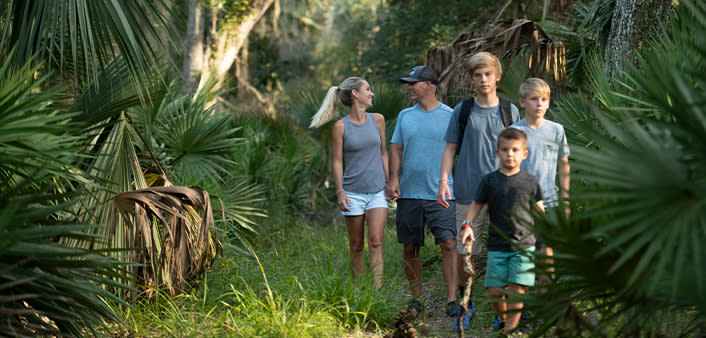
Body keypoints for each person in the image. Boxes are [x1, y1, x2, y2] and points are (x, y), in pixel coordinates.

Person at [436, 52, 520, 324]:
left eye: (487, 74)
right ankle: (466, 304)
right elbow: (450, 149)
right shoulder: (463, 110)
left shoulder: (510, 111)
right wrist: (443, 181)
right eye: (477, 75)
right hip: (467, 192)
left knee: (504, 252)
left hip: (503, 194)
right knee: (465, 252)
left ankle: (502, 311)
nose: (483, 79)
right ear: (472, 79)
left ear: (497, 76)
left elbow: (519, 152)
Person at [386, 66, 460, 320]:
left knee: (449, 243)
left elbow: (458, 150)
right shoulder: (405, 116)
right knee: (410, 247)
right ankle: (416, 298)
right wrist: (393, 179)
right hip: (409, 192)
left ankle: (452, 299)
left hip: (443, 192)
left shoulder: (451, 115)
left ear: (429, 85)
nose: (409, 87)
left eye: (413, 83)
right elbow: (396, 149)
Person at [459, 128, 544, 334]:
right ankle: (504, 320)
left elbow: (539, 206)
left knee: (517, 290)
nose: (510, 154)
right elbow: (477, 204)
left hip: (524, 244)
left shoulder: (530, 181)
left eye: (515, 150)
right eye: (505, 149)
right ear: (497, 152)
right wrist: (467, 225)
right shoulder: (490, 180)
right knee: (495, 290)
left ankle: (510, 331)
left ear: (524, 154)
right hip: (497, 245)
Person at [310, 77, 389, 288]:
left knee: (376, 242)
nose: (371, 93)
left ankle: (377, 292)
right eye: (368, 89)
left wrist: (390, 182)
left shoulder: (378, 120)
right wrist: (340, 192)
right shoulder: (340, 126)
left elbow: (383, 153)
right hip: (353, 193)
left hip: (377, 192)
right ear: (355, 94)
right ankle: (360, 292)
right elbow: (337, 161)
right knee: (356, 245)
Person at [510, 78, 570, 271]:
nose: (539, 104)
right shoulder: (514, 131)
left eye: (544, 99)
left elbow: (563, 165)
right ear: (522, 102)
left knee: (546, 251)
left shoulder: (556, 130)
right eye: (534, 99)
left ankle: (548, 295)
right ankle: (523, 296)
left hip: (549, 201)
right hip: (520, 203)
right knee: (523, 253)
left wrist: (566, 199)